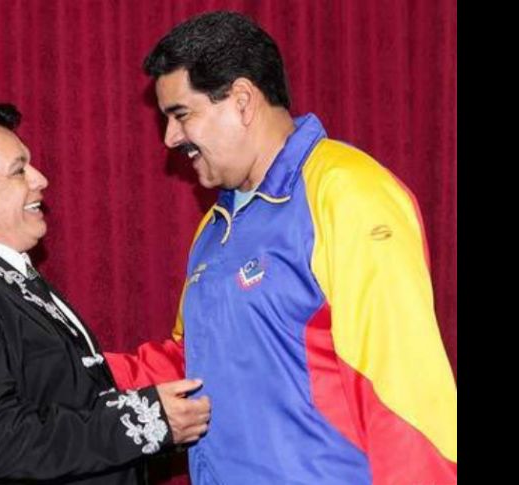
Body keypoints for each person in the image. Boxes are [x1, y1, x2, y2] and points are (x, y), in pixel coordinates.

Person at [104, 11, 456, 484]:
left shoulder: (347, 193)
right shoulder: (214, 227)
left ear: (242, 100)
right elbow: (193, 362)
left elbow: (404, 392)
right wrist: (69, 368)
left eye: (181, 115)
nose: (170, 139)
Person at [0, 103, 211, 484]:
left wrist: (162, 420)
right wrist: (146, 420)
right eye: (18, 170)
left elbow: (69, 403)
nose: (40, 179)